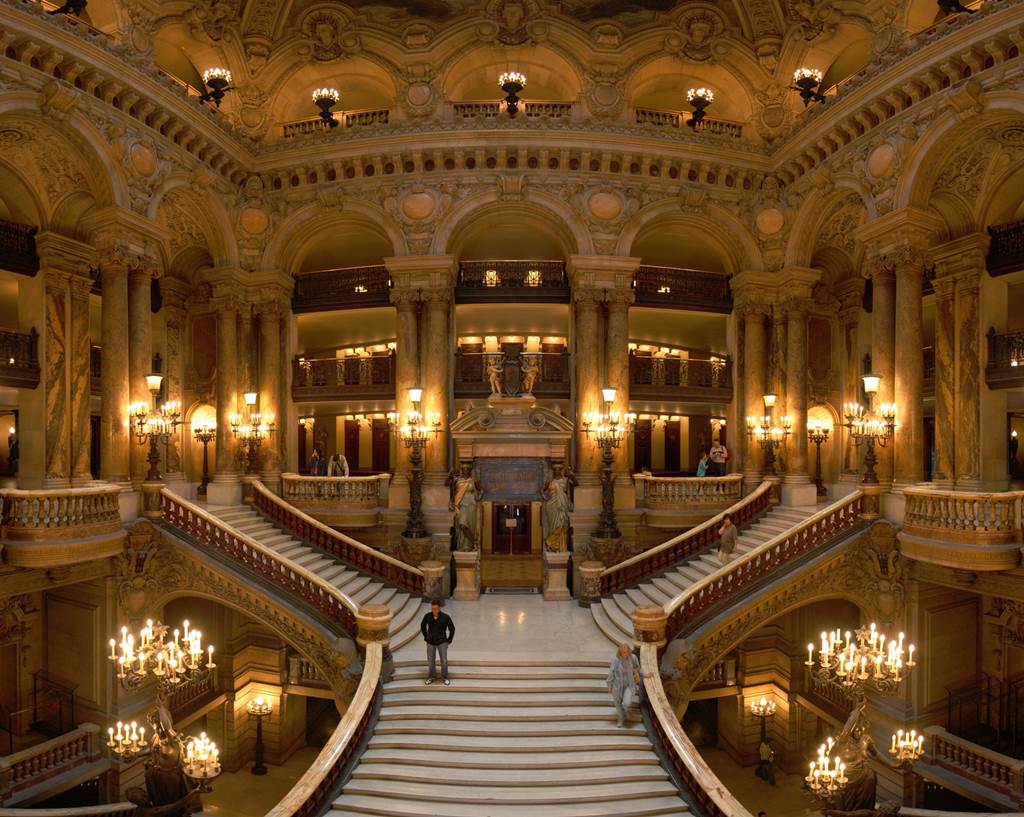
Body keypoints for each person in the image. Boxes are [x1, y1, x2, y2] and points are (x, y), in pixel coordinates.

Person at [606, 643, 650, 728]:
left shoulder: (633, 658)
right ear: (620, 652)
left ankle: (626, 711)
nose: (625, 654)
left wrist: (645, 675)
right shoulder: (615, 659)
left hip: (629, 685)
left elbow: (638, 669)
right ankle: (620, 719)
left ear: (629, 651)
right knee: (618, 704)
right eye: (623, 652)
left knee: (626, 703)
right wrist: (609, 685)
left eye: (626, 652)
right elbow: (611, 673)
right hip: (617, 686)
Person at [446, 464, 481, 551]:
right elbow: (447, 483)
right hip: (460, 505)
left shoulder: (473, 480)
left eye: (467, 469)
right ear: (461, 470)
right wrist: (450, 475)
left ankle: (469, 546)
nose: (466, 471)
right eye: (464, 469)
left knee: (470, 525)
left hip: (471, 505)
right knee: (462, 525)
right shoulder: (457, 480)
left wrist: (478, 495)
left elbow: (480, 490)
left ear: (469, 471)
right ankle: (474, 541)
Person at [542, 464, 576, 552]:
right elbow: (542, 490)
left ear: (561, 470)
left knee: (562, 524)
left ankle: (556, 545)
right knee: (553, 526)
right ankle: (552, 544)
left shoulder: (565, 480)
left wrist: (572, 476)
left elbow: (576, 484)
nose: (557, 472)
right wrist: (545, 497)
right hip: (552, 507)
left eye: (558, 470)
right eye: (555, 470)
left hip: (563, 506)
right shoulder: (550, 481)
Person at [420, 599, 455, 686]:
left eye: (435, 608)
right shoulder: (427, 616)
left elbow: (452, 629)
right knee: (430, 661)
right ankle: (431, 676)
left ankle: (445, 677)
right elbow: (422, 626)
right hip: (430, 642)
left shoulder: (446, 617)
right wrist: (426, 637)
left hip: (442, 641)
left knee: (444, 661)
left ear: (439, 608)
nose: (434, 610)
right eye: (432, 608)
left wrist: (449, 640)